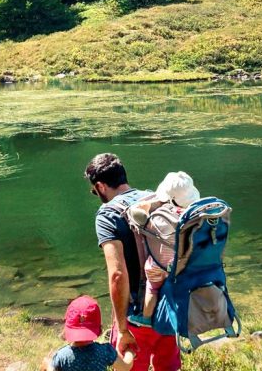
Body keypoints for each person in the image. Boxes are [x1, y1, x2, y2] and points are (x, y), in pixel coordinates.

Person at [84, 153, 182, 371]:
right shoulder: (156, 198)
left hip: (137, 318)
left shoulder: (108, 215)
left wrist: (122, 328)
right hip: (169, 307)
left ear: (100, 186)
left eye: (94, 190)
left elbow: (117, 275)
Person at [126, 171, 200, 327]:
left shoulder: (160, 218)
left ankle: (146, 318)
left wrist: (148, 206)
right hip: (188, 263)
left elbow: (136, 215)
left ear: (168, 198)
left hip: (164, 266)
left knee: (152, 285)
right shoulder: (195, 216)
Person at [45, 295, 135, 371]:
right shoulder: (105, 351)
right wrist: (130, 352)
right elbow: (125, 367)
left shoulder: (61, 356)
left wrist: (48, 364)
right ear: (99, 327)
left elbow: (51, 368)